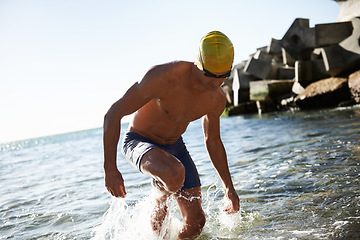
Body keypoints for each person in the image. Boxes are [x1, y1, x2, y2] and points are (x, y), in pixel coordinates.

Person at [103, 31, 240, 239]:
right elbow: (113, 114)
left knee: (197, 223)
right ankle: (159, 197)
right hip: (139, 140)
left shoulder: (216, 99)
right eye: (210, 75)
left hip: (175, 145)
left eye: (223, 76)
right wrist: (110, 169)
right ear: (198, 63)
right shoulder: (162, 77)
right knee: (174, 174)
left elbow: (212, 140)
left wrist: (229, 188)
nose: (215, 83)